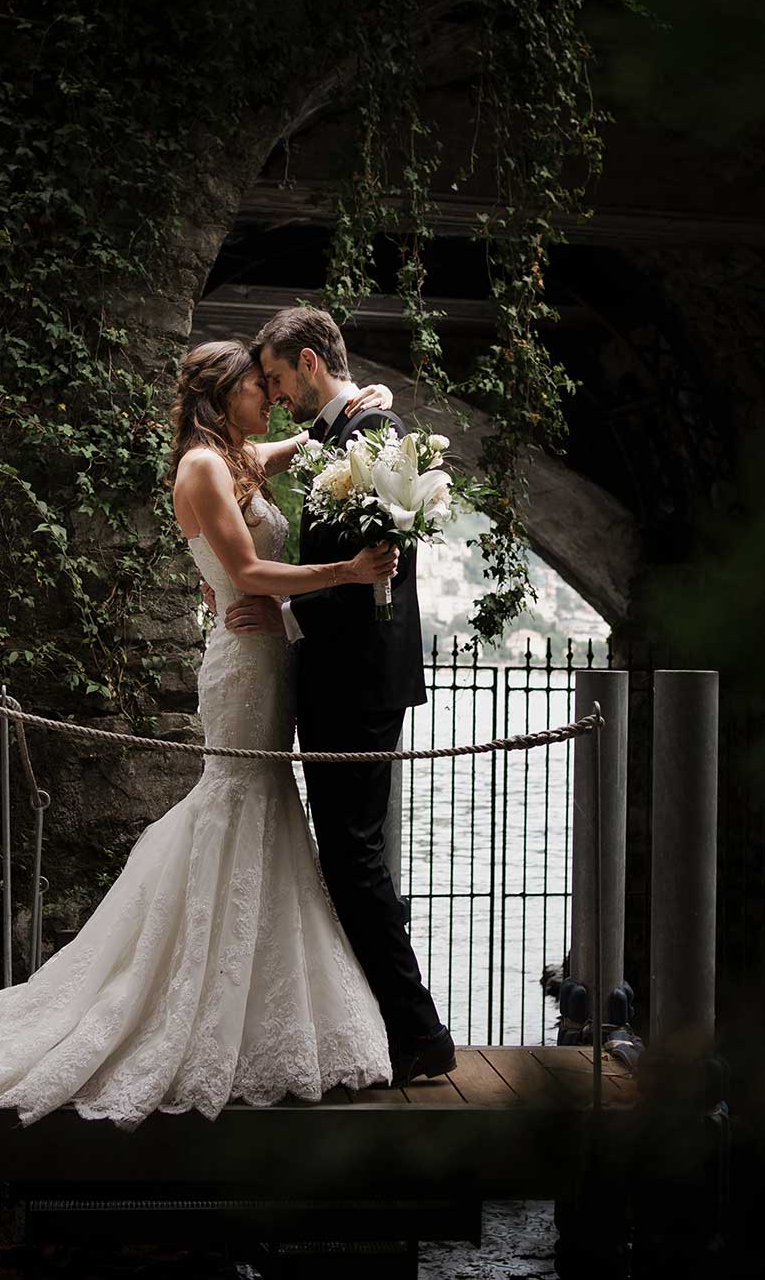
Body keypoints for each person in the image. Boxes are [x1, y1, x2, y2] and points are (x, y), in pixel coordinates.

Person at [0, 341, 401, 1128]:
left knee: (260, 806)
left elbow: (301, 443)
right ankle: (182, 1000)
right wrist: (346, 573)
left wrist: (362, 399)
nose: (269, 397)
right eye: (255, 387)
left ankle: (252, 1008)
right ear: (221, 393)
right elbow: (248, 573)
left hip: (269, 658)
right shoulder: (203, 466)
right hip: (245, 664)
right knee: (237, 800)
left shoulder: (235, 456)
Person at [242, 305, 454, 1085]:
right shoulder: (347, 431)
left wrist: (284, 611)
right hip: (344, 680)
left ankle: (421, 1033)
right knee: (349, 854)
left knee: (354, 856)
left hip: (359, 682)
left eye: (276, 378)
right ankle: (391, 1028)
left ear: (307, 362)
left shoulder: (372, 435)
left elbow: (377, 575)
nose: (274, 395)